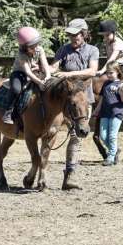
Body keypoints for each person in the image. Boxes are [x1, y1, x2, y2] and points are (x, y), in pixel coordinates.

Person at [51, 18, 99, 190]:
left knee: (76, 137)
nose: (73, 38)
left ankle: (70, 174)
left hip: (84, 100)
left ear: (84, 34)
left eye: (76, 34)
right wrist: (43, 68)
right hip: (65, 100)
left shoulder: (92, 50)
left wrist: (68, 74)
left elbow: (92, 71)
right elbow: (54, 68)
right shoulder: (63, 50)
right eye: (71, 35)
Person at [2, 27, 51, 124]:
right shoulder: (21, 55)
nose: (36, 48)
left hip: (35, 72)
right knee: (16, 89)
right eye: (32, 47)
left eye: (37, 45)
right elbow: (27, 72)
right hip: (20, 73)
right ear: (24, 47)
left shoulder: (39, 49)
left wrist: (48, 75)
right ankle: (8, 111)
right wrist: (39, 82)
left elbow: (45, 63)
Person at [93, 62, 123, 166]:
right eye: (107, 73)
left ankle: (111, 158)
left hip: (116, 112)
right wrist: (97, 110)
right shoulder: (106, 83)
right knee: (103, 136)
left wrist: (121, 92)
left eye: (111, 73)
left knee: (112, 136)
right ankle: (115, 149)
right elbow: (102, 98)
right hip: (105, 112)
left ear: (117, 72)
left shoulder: (121, 84)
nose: (109, 75)